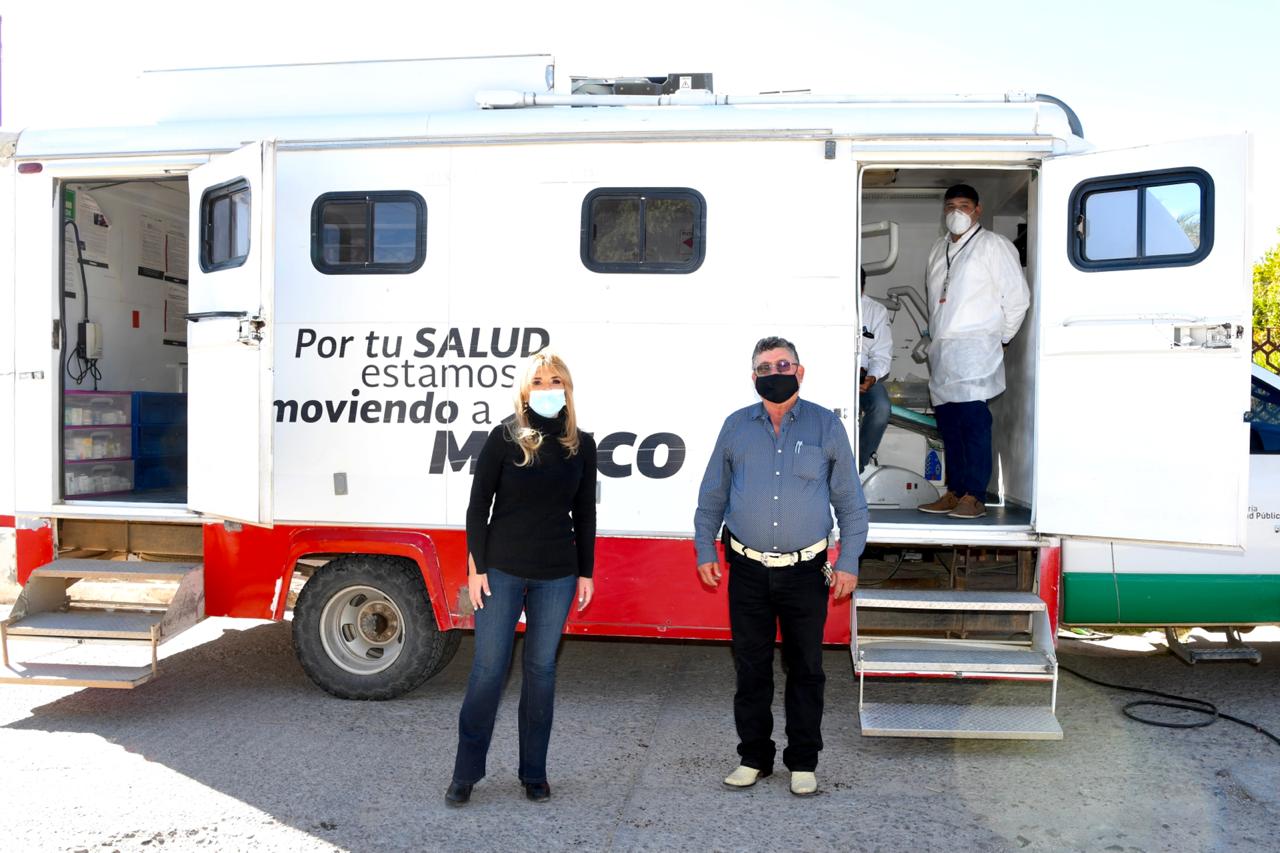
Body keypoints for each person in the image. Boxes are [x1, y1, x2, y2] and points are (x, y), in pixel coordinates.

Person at [694, 336, 868, 797]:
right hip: (747, 570)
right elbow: (712, 495)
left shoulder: (826, 426)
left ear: (800, 371)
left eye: (783, 365)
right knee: (751, 669)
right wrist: (704, 549)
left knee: (806, 668)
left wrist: (849, 560)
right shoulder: (735, 427)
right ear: (754, 377)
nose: (775, 373)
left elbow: (851, 504)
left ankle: (803, 762)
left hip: (806, 571)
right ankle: (753, 757)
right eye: (766, 368)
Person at [446, 350, 598, 807]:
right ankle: (465, 773)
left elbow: (584, 513)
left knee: (541, 672)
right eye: (539, 381)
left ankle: (534, 773)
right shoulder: (504, 437)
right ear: (525, 390)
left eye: (555, 380)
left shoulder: (582, 444)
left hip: (557, 575)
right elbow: (478, 506)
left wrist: (585, 572)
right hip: (501, 571)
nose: (547, 388)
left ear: (567, 388)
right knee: (488, 670)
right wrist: (476, 568)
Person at [917, 183, 1030, 519]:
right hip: (944, 350)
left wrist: (1003, 339)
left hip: (976, 347)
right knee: (949, 425)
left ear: (978, 210)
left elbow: (1017, 298)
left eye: (964, 206)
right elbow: (936, 303)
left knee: (973, 421)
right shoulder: (938, 249)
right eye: (951, 206)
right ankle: (955, 492)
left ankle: (975, 496)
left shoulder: (994, 245)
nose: (957, 213)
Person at [859, 268, 893, 473]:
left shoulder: (875, 311)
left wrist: (871, 377)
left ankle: (857, 464)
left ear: (862, 286)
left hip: (862, 376)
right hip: (828, 374)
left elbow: (881, 354)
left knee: (881, 407)